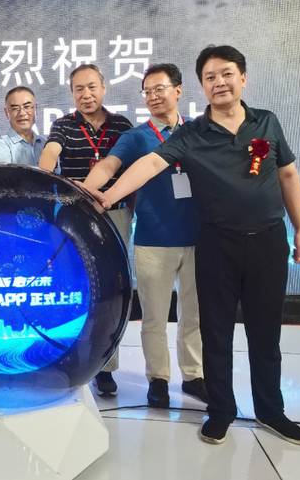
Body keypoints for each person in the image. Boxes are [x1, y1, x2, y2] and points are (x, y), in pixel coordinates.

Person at [94, 45, 300, 446]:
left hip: (268, 242)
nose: (219, 82)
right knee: (215, 331)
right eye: (210, 77)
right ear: (201, 85)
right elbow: (150, 165)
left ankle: (271, 410)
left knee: (265, 333)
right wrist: (108, 196)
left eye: (226, 74)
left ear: (242, 78)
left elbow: (288, 175)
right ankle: (221, 410)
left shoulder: (267, 122)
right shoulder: (192, 133)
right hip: (215, 244)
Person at [83, 64, 207, 408]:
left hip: (199, 239)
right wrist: (85, 190)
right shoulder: (137, 137)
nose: (153, 97)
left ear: (178, 90)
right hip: (153, 240)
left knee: (195, 314)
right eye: (147, 92)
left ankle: (194, 375)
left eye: (159, 89)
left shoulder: (198, 131)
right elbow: (110, 165)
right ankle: (159, 379)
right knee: (154, 317)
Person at [38, 63, 133, 397]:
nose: (86, 94)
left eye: (92, 87)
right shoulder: (63, 125)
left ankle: (105, 367)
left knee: (112, 289)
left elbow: (131, 168)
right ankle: (71, 357)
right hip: (76, 215)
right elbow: (50, 153)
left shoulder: (122, 125)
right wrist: (44, 175)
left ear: (103, 88)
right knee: (75, 286)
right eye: (79, 89)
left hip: (115, 214)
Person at [0, 86, 46, 165]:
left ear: (35, 109)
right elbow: (4, 172)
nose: (22, 113)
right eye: (15, 108)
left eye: (27, 107)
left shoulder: (45, 143)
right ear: (6, 112)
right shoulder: (1, 145)